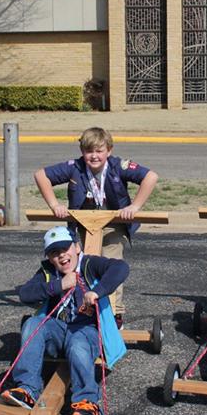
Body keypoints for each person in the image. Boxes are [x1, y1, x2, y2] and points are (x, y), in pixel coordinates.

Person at [0, 226, 129, 415]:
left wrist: (97, 291)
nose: (61, 256)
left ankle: (86, 401)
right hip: (59, 330)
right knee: (33, 323)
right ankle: (27, 388)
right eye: (54, 253)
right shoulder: (48, 271)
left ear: (77, 247)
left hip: (88, 331)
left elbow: (120, 268)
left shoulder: (89, 264)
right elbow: (25, 293)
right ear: (50, 258)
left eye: (65, 249)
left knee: (77, 343)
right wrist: (59, 285)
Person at [34, 127, 157, 325]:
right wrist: (54, 205)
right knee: (79, 266)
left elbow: (151, 177)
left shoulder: (119, 166)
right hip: (82, 225)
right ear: (82, 152)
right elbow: (41, 175)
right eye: (89, 151)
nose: (94, 156)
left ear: (109, 150)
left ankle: (114, 313)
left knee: (111, 264)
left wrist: (134, 206)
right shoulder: (75, 166)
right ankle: (79, 309)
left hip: (113, 224)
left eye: (99, 151)